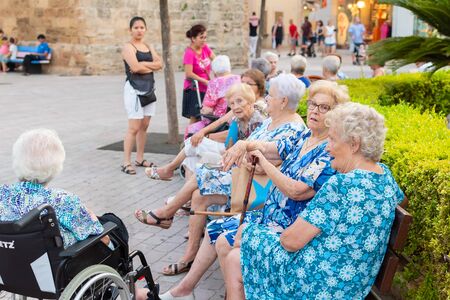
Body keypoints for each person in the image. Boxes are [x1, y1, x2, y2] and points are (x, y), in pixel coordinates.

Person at [223, 102, 404, 300]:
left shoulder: (342, 185)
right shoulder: (386, 178)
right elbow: (399, 203)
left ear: (354, 144)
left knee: (237, 251)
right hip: (351, 285)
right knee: (244, 244)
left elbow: (290, 241)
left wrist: (250, 233)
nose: (327, 148)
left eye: (333, 140)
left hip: (316, 285)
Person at [158, 74, 308, 299]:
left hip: (263, 198)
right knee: (207, 211)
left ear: (284, 101)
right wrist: (246, 156)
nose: (266, 98)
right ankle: (184, 287)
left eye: (271, 95)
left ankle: (167, 216)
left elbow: (268, 161)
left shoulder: (294, 128)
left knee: (218, 226)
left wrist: (248, 155)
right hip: (246, 186)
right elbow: (251, 155)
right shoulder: (271, 120)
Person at [0, 128, 153, 300]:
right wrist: (94, 220)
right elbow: (101, 238)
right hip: (60, 272)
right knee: (112, 224)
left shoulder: (3, 194)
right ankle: (135, 290)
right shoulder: (62, 201)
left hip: (15, 270)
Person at [121, 16, 163, 175]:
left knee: (144, 125)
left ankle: (139, 158)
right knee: (134, 127)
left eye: (142, 27)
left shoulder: (147, 46)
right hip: (134, 89)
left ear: (145, 29)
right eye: (136, 27)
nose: (139, 30)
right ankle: (126, 162)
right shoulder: (128, 47)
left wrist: (144, 65)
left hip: (149, 89)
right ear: (130, 30)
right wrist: (150, 66)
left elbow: (160, 64)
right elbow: (134, 67)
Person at [184, 55, 241, 139]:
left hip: (218, 122)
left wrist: (202, 110)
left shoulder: (214, 83)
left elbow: (207, 110)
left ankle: (188, 150)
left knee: (190, 129)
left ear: (214, 71)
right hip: (236, 118)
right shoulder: (239, 79)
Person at [182, 24, 215, 124]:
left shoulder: (205, 48)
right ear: (193, 38)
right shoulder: (189, 53)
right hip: (194, 89)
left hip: (206, 87)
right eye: (201, 37)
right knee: (195, 117)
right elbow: (188, 73)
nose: (204, 40)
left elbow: (215, 59)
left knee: (206, 115)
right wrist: (204, 81)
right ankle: (188, 138)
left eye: (205, 37)